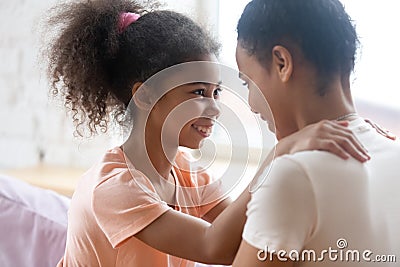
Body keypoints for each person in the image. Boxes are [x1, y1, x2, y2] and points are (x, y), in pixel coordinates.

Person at [45, 0, 372, 266]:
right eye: (198, 92)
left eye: (216, 93)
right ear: (145, 95)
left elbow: (243, 233)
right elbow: (215, 247)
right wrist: (281, 152)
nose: (215, 108)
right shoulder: (113, 188)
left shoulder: (188, 174)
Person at [233, 0, 400, 266]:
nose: (252, 104)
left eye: (247, 82)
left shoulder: (292, 175)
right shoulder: (394, 154)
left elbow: (210, 244)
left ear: (281, 63)